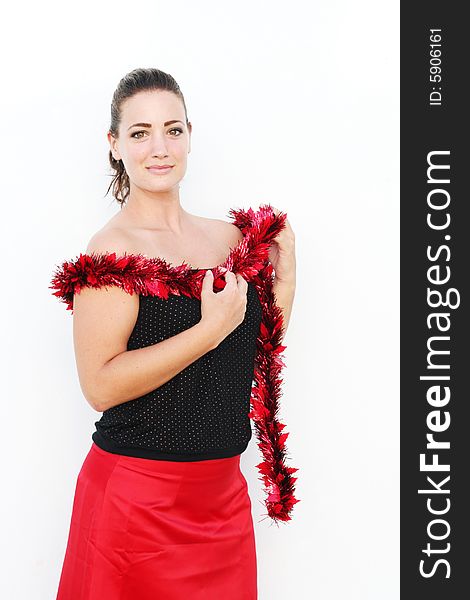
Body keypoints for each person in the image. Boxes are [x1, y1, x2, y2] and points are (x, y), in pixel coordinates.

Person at [50, 67, 298, 600]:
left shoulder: (228, 239)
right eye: (139, 133)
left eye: (173, 129)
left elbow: (252, 352)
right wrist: (206, 332)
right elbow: (101, 385)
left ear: (189, 135)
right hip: (135, 506)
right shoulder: (110, 254)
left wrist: (287, 275)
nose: (159, 148)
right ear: (115, 145)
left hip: (222, 501)